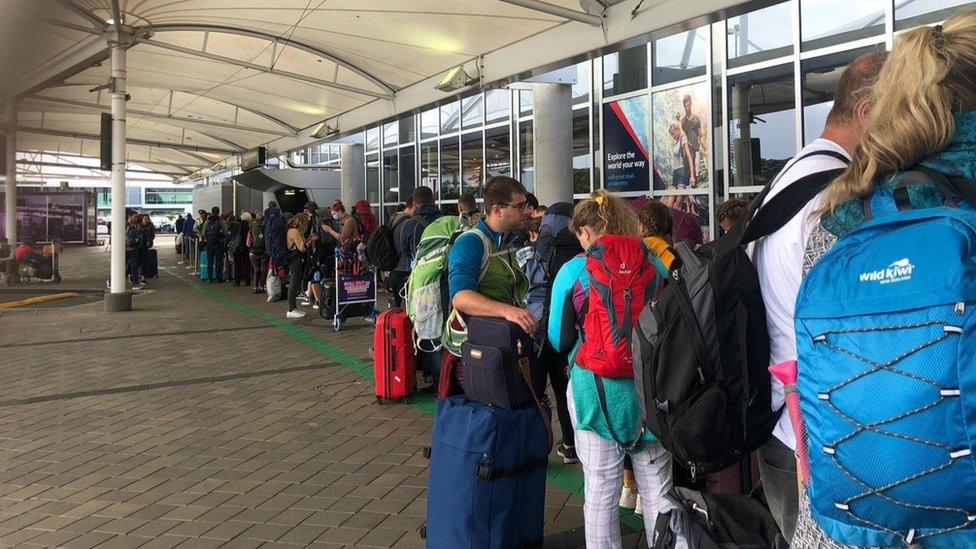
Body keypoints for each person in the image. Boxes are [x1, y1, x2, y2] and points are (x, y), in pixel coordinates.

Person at [751, 50, 887, 542]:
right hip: (814, 435)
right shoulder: (836, 194)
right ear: (869, 111)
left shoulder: (794, 175)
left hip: (785, 423)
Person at [547, 190, 672, 548]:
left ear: (587, 231)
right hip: (652, 389)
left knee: (602, 492)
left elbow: (557, 338)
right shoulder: (657, 262)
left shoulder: (574, 270)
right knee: (659, 491)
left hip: (594, 391)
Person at [442, 176, 534, 389]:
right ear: (497, 210)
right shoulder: (471, 242)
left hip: (497, 344)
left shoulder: (507, 240)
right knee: (485, 415)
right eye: (520, 206)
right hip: (475, 351)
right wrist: (508, 311)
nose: (527, 211)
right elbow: (461, 297)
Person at [390, 186, 441, 307]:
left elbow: (405, 250)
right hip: (441, 275)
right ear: (434, 200)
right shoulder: (445, 221)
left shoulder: (409, 225)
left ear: (414, 203)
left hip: (418, 277)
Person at [285, 213, 311, 319]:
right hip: (295, 260)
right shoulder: (294, 231)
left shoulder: (291, 230)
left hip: (294, 259)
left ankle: (293, 307)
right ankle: (291, 309)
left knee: (295, 283)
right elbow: (302, 248)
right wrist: (310, 242)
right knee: (294, 283)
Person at [681, 94, 704, 174]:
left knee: (696, 173)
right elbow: (682, 137)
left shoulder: (696, 118)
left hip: (696, 148)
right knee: (690, 173)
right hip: (688, 151)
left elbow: (700, 135)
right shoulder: (682, 121)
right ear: (684, 106)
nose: (688, 107)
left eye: (689, 105)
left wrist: (706, 149)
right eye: (686, 105)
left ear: (691, 104)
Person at [202, 206, 226, 283]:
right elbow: (225, 232)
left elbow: (203, 233)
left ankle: (209, 278)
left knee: (210, 262)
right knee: (219, 262)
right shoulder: (221, 221)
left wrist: (208, 238)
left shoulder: (207, 221)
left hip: (209, 244)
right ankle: (218, 278)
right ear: (218, 212)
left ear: (212, 212)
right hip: (219, 244)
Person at [669, 120, 696, 189]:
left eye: (673, 133)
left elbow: (689, 157)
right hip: (675, 172)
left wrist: (692, 176)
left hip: (682, 171)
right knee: (670, 197)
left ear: (677, 130)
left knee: (678, 198)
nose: (672, 136)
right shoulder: (676, 143)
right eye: (671, 134)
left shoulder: (683, 140)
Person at [247, 211, 267, 294]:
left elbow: (248, 243)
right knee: (263, 270)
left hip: (253, 252)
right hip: (263, 252)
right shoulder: (264, 228)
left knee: (256, 270)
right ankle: (262, 287)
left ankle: (255, 287)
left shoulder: (250, 230)